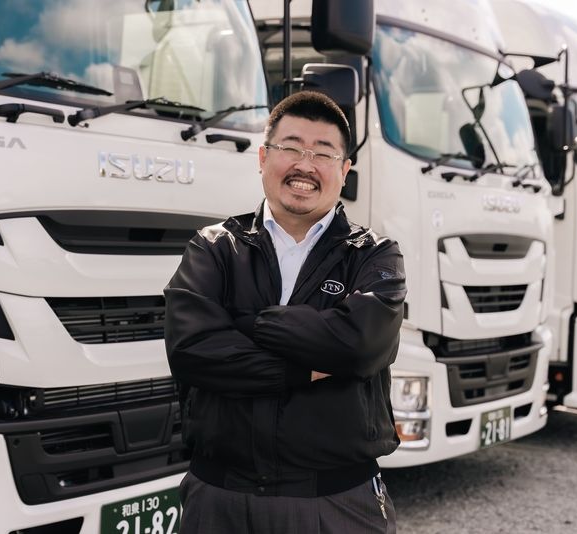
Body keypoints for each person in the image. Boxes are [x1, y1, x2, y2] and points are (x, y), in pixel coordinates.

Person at [164, 90, 405, 533]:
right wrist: (303, 367)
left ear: (344, 170)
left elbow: (360, 344)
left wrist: (248, 323)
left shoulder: (373, 254)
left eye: (323, 153)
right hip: (219, 498)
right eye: (291, 147)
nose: (305, 166)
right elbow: (191, 350)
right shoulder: (214, 247)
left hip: (336, 501)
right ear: (263, 157)